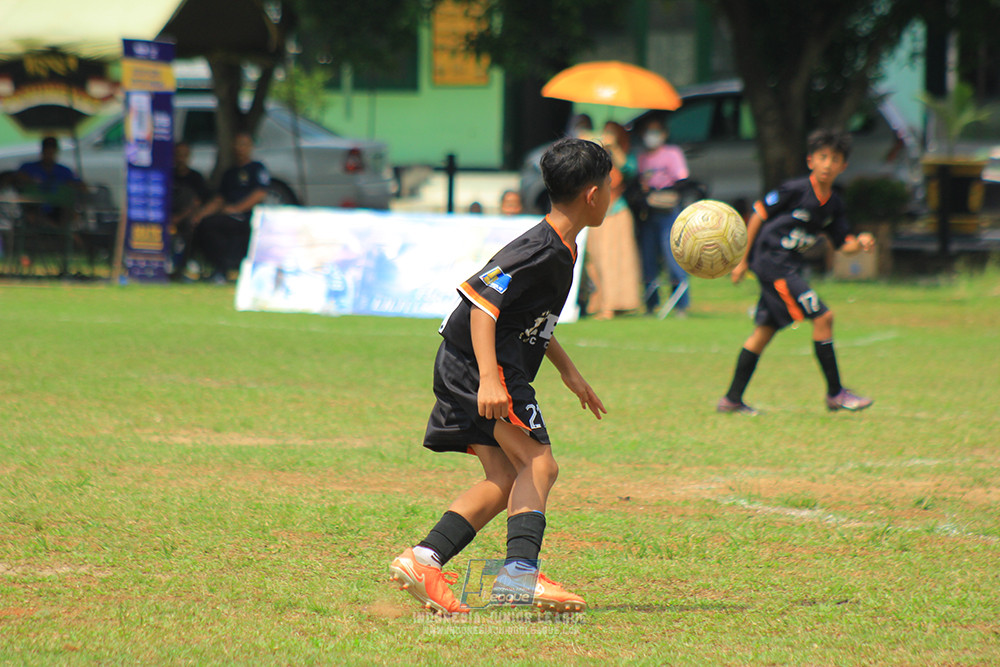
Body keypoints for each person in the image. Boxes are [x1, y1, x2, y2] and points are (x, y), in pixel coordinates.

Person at [389, 137, 611, 615]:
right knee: (540, 464)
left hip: (472, 363)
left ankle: (424, 560)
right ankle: (519, 576)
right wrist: (490, 379)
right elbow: (480, 302)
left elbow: (527, 321)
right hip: (479, 366)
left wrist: (570, 373)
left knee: (507, 476)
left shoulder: (563, 249)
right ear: (593, 195)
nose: (612, 194)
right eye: (609, 185)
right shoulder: (541, 249)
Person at [718, 128, 876, 416]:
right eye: (822, 157)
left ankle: (731, 400)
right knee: (823, 316)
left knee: (763, 332)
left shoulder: (835, 204)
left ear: (844, 166)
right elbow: (757, 215)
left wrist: (861, 243)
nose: (828, 164)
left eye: (835, 159)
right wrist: (742, 259)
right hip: (771, 263)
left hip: (787, 266)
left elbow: (844, 245)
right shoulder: (794, 190)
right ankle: (835, 393)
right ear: (810, 161)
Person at [192, 132, 270, 282]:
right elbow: (220, 198)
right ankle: (218, 269)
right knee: (205, 225)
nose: (240, 148)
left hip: (247, 216)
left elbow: (260, 193)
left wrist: (237, 209)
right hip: (227, 215)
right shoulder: (230, 172)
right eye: (238, 144)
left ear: (250, 147)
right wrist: (201, 214)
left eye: (244, 144)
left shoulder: (257, 168)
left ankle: (226, 269)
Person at [584, 121, 642, 319]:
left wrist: (614, 147)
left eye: (612, 131)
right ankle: (599, 302)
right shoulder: (596, 156)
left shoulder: (624, 154)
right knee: (595, 259)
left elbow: (628, 170)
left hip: (618, 212)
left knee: (616, 260)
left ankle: (616, 304)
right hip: (597, 213)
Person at [636, 116, 691, 316]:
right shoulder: (642, 157)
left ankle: (680, 304)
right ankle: (651, 303)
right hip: (649, 213)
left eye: (656, 131)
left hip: (669, 212)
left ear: (664, 133)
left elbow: (682, 179)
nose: (652, 136)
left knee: (672, 257)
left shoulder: (672, 153)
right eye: (648, 131)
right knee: (648, 259)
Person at [16, 136, 85, 227]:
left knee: (69, 213)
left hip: (59, 210)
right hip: (35, 209)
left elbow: (80, 185)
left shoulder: (64, 171)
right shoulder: (28, 168)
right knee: (32, 214)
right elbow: (17, 180)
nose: (49, 155)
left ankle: (58, 230)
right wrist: (29, 181)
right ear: (42, 151)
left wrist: (73, 186)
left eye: (51, 152)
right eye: (46, 151)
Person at [169, 141, 210, 280]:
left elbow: (197, 202)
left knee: (192, 228)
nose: (181, 158)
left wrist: (179, 218)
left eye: (184, 155)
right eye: (178, 154)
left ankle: (184, 265)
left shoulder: (195, 178)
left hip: (186, 218)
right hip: (167, 217)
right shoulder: (167, 175)